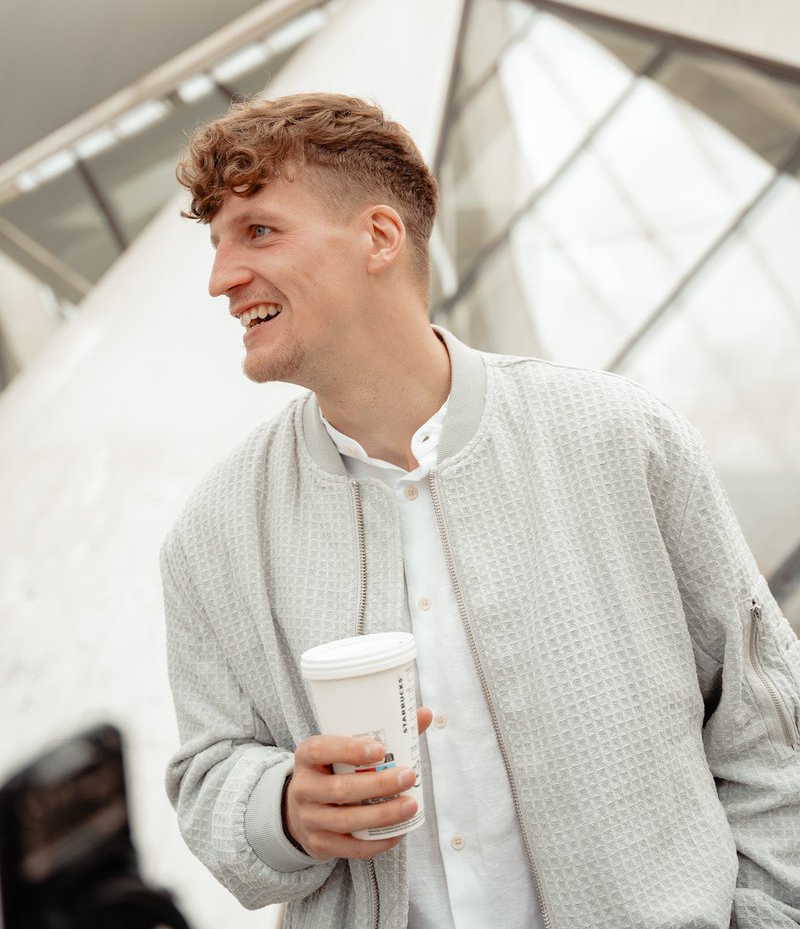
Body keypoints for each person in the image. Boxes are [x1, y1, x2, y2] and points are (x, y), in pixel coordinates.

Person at [161, 92, 800, 929]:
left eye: (259, 232)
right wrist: (283, 809)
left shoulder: (620, 439)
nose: (221, 279)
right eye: (218, 245)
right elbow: (207, 776)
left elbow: (768, 734)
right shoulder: (211, 537)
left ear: (380, 238)